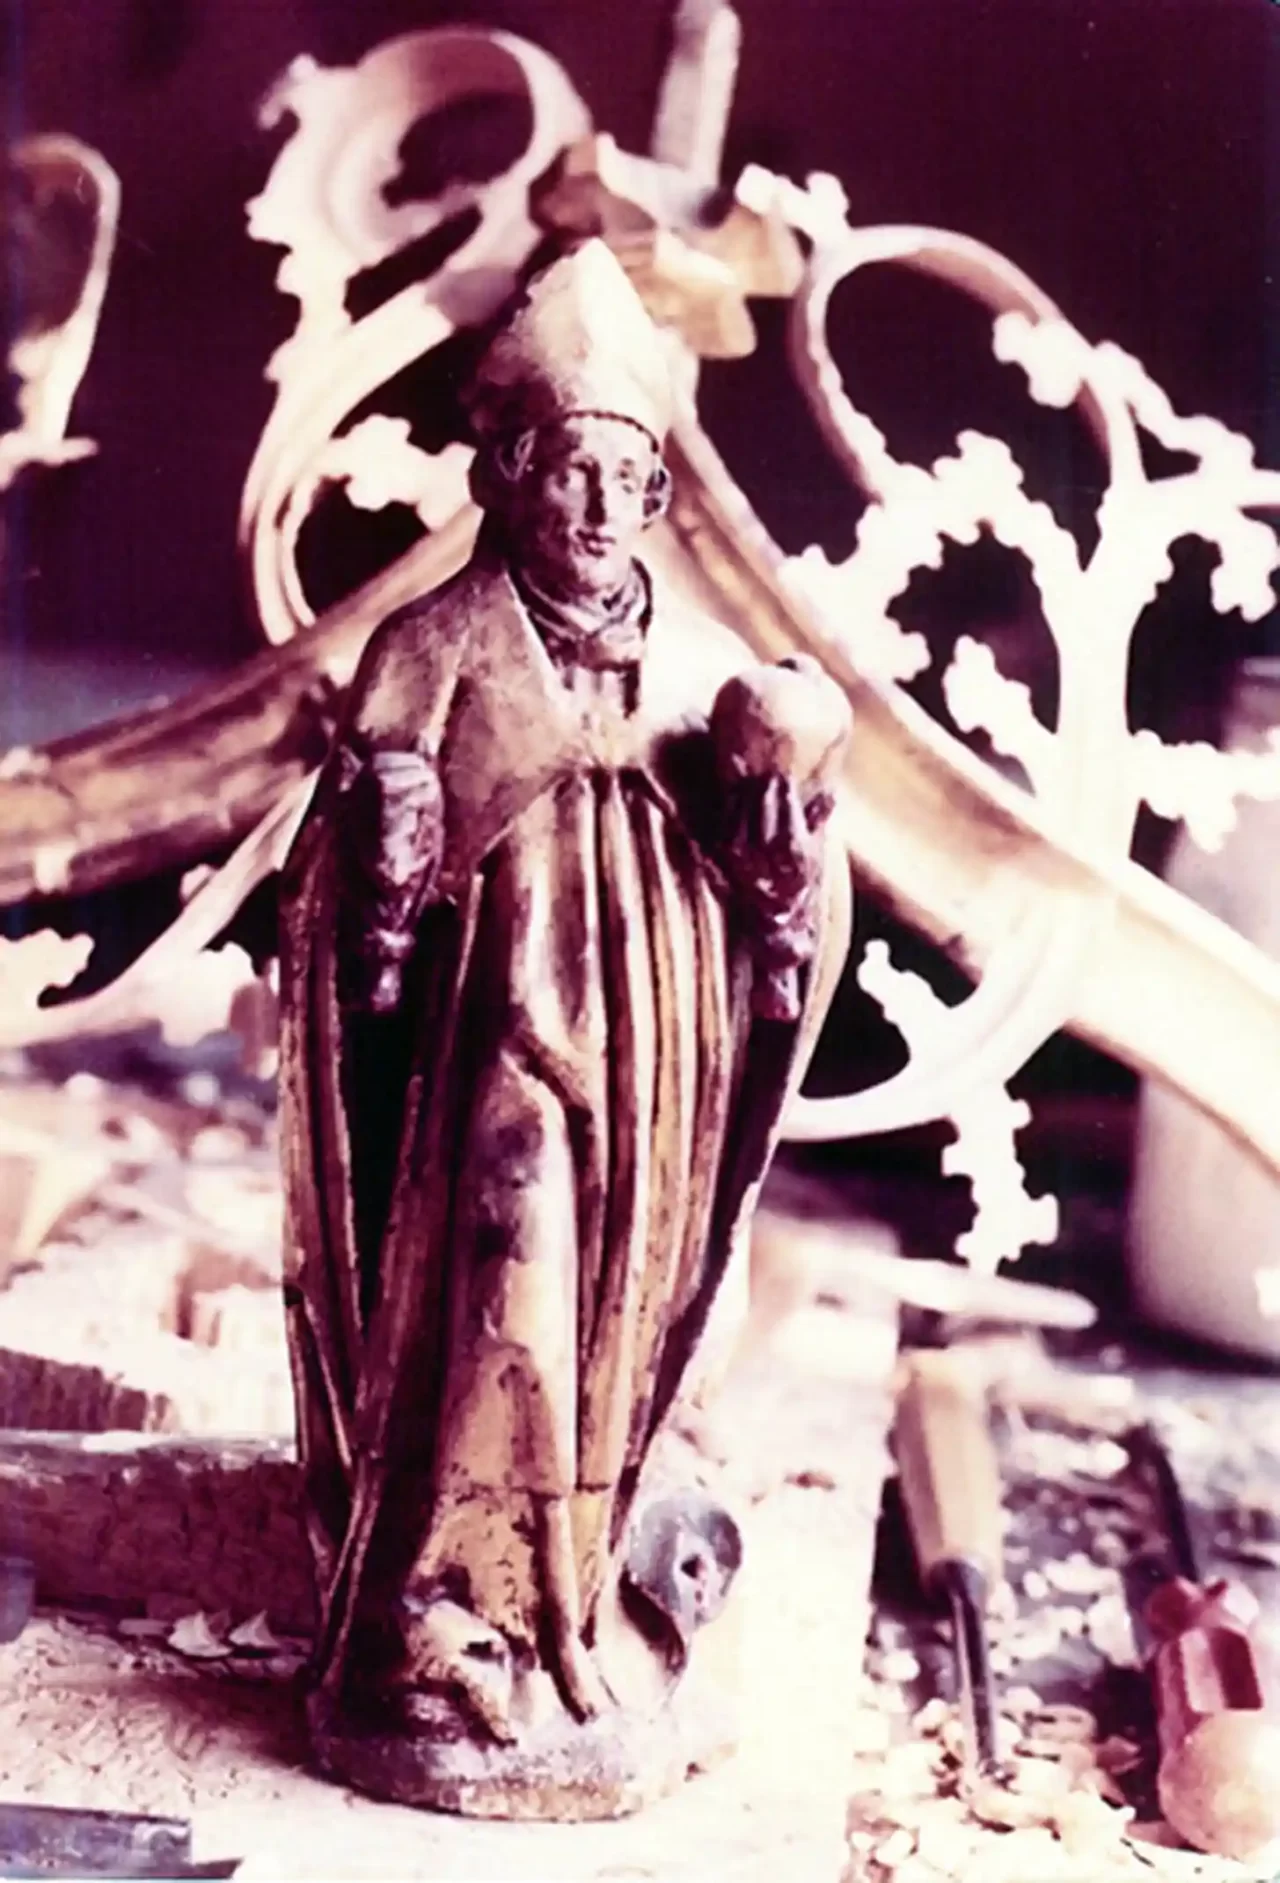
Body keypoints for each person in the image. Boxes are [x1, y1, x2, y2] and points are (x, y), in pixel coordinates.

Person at [278, 240, 851, 1805]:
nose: (597, 506)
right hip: (496, 1036)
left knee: (614, 1314)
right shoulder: (434, 650)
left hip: (656, 1048)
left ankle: (580, 1614)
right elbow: (347, 925)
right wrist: (382, 879)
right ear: (509, 478)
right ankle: (444, 1616)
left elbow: (783, 907)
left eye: (624, 477)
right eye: (568, 471)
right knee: (505, 1271)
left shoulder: (715, 675)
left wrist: (781, 878)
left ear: (658, 493)